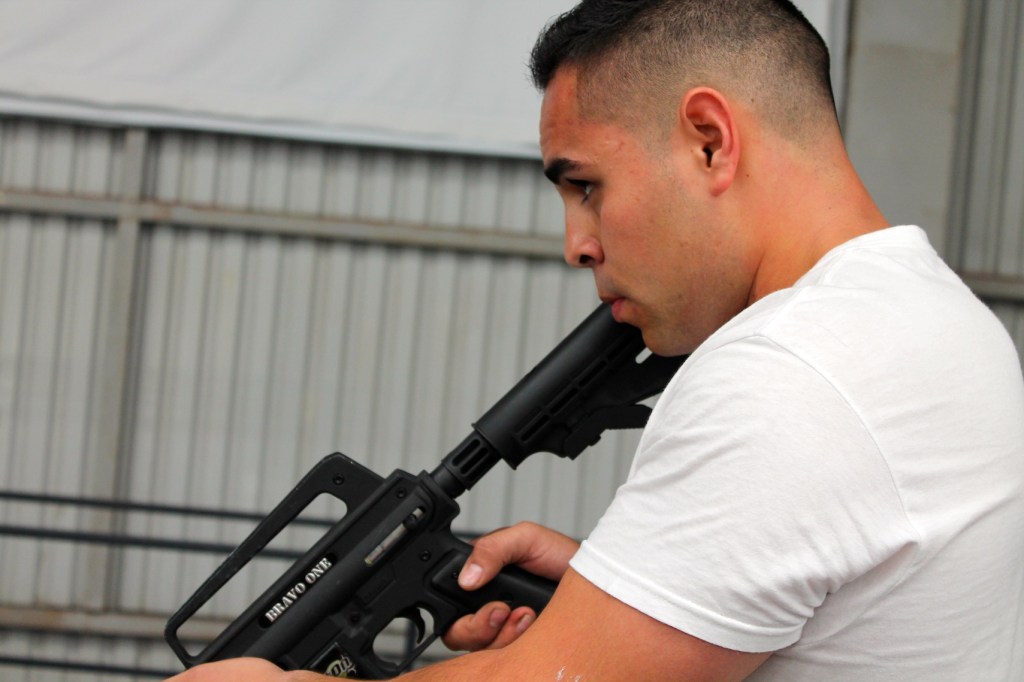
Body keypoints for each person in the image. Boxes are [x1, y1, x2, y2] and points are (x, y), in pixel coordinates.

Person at [168, 0, 1024, 679]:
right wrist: (630, 592)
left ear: (709, 141)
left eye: (585, 185)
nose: (576, 242)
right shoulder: (937, 318)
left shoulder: (787, 376)